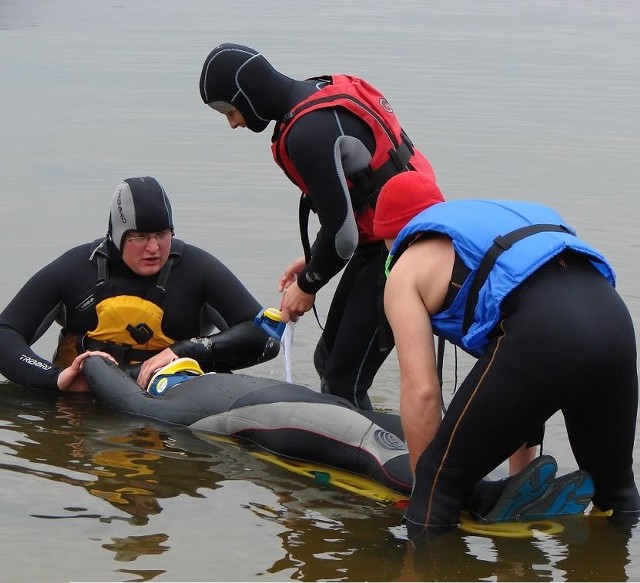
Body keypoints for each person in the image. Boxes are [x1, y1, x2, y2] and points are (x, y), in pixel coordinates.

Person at [372, 171, 640, 533]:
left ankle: (421, 565)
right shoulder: (488, 223)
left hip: (542, 331)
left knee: (439, 485)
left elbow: (422, 391)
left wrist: (428, 487)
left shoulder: (404, 269)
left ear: (392, 236)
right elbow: (524, 387)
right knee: (617, 492)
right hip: (614, 322)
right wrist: (521, 480)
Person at [198, 43, 439, 410]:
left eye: (229, 110)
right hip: (389, 242)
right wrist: (313, 260)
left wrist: (308, 285)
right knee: (328, 362)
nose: (233, 122)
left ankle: (391, 462)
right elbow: (348, 218)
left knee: (344, 380)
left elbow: (343, 236)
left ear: (246, 95)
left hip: (405, 252)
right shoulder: (318, 92)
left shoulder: (306, 132)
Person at [0, 176, 279, 393]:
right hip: (81, 406)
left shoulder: (197, 270)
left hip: (169, 401)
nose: (154, 248)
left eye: (162, 234)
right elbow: (5, 333)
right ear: (118, 236)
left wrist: (184, 351)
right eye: (140, 237)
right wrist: (56, 379)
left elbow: (262, 336)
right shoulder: (75, 269)